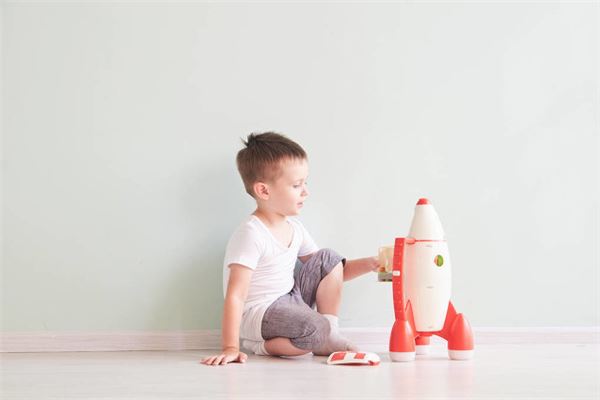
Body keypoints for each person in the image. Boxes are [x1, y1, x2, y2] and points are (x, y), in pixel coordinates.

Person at [202, 132, 379, 366]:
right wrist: (230, 347)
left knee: (328, 257)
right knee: (316, 327)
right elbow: (236, 295)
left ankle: (328, 336)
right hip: (260, 312)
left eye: (305, 183)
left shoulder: (295, 228)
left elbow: (331, 272)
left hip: (290, 298)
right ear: (264, 191)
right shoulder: (251, 233)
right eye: (296, 185)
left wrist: (372, 264)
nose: (306, 191)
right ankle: (261, 345)